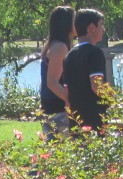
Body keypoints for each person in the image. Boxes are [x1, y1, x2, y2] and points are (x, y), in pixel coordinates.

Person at [63, 9, 108, 133]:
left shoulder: (69, 55)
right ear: (92, 27)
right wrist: (113, 100)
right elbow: (96, 86)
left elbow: (67, 92)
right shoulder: (95, 53)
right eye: (101, 25)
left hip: (76, 120)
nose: (103, 29)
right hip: (94, 119)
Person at [40, 6, 76, 137]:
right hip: (57, 108)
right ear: (65, 23)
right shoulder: (60, 47)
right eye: (74, 20)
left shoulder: (54, 44)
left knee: (55, 151)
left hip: (51, 105)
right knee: (61, 150)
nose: (77, 23)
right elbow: (52, 83)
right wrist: (72, 100)